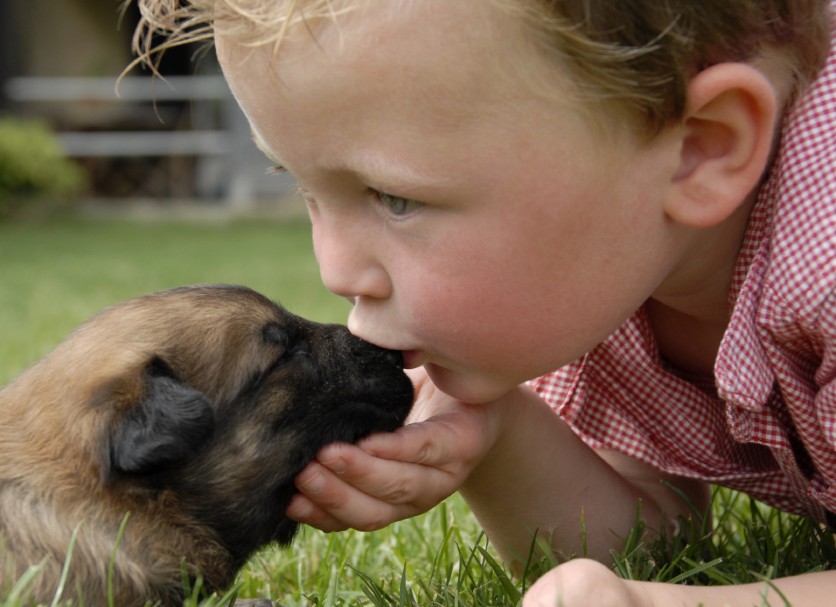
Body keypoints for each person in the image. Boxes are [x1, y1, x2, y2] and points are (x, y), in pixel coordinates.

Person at [134, 1, 836, 604]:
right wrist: (498, 436)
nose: (335, 268)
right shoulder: (605, 264)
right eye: (302, 184)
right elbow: (657, 540)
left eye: (396, 197)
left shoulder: (824, 260)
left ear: (701, 149)